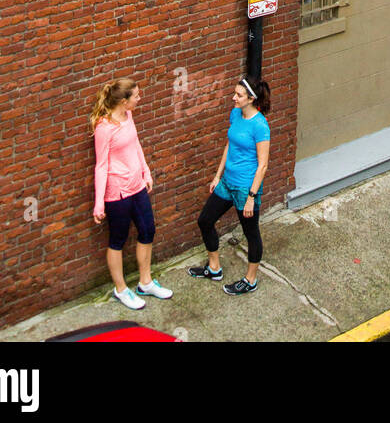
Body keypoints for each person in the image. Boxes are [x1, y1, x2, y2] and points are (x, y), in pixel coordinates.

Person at [91, 77, 173, 310]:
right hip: (117, 193)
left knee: (148, 229)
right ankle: (121, 289)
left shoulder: (129, 116)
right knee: (118, 240)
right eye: (136, 96)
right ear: (124, 101)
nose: (139, 99)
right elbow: (101, 166)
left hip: (137, 186)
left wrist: (146, 172)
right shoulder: (104, 128)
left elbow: (136, 145)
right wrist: (99, 204)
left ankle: (145, 282)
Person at [188, 74, 271, 295]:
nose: (233, 98)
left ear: (251, 98)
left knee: (251, 233)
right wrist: (217, 176)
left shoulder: (260, 126)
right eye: (235, 93)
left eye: (239, 95)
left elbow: (262, 166)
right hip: (227, 182)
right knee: (205, 220)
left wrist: (252, 197)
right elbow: (229, 145)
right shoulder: (235, 114)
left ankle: (250, 280)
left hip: (246, 189)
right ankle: (214, 268)